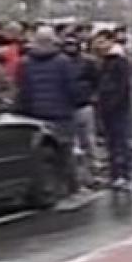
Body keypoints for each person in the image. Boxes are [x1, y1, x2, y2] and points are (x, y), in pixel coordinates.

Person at [16, 26, 81, 195]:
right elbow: (72, 88)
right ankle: (71, 188)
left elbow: (23, 90)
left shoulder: (25, 63)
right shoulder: (63, 62)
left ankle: (49, 187)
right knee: (66, 152)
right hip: (62, 114)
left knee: (42, 153)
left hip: (36, 115)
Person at [93, 30, 132, 189]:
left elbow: (123, 86)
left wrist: (113, 102)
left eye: (102, 42)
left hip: (117, 107)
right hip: (106, 106)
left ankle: (123, 173)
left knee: (120, 141)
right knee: (112, 142)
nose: (99, 45)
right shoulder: (102, 61)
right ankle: (115, 174)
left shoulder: (118, 61)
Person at [62, 34, 101, 187]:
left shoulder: (88, 62)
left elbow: (97, 80)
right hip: (68, 107)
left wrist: (93, 96)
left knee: (88, 141)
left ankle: (93, 171)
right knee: (74, 143)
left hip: (83, 104)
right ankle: (79, 176)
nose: (70, 47)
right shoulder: (62, 63)